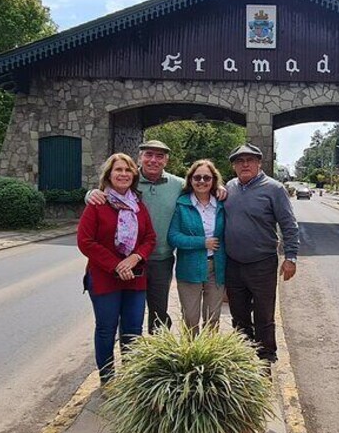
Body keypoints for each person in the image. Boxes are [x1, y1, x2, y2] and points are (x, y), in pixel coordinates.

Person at [87, 140, 227, 334]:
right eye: (148, 155)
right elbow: (108, 190)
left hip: (161, 259)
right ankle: (129, 352)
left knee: (158, 311)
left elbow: (201, 189)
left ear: (166, 161)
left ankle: (157, 352)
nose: (153, 160)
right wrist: (91, 193)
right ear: (140, 157)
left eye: (159, 156)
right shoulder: (130, 180)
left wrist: (220, 188)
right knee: (128, 313)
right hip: (128, 260)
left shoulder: (178, 185)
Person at [77, 153, 156, 385]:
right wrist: (115, 265)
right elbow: (85, 241)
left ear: (134, 175)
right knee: (106, 329)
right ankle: (108, 378)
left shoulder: (138, 205)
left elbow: (150, 238)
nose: (123, 174)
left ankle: (131, 379)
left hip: (134, 277)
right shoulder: (97, 204)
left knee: (133, 330)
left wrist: (134, 258)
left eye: (127, 170)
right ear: (109, 175)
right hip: (104, 278)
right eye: (118, 170)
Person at [224, 143, 299, 366]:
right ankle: (243, 356)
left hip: (262, 263)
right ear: (234, 166)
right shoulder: (229, 187)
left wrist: (291, 257)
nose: (244, 164)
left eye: (250, 160)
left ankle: (266, 357)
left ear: (259, 163)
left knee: (264, 315)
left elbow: (289, 225)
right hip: (233, 263)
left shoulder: (274, 189)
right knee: (238, 314)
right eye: (239, 161)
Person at [167, 159, 226, 336]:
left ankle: (209, 357)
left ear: (214, 180)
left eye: (207, 178)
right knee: (190, 318)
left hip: (216, 268)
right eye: (197, 177)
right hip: (189, 268)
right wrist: (201, 242)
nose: (202, 181)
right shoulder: (182, 204)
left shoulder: (222, 204)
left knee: (213, 317)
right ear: (190, 180)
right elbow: (173, 236)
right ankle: (191, 357)